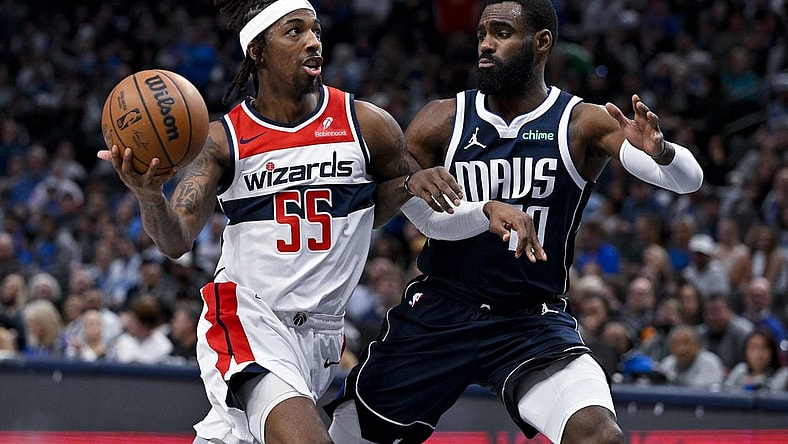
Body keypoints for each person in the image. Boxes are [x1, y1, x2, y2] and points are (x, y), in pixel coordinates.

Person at [97, 1, 540, 443]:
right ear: (257, 50)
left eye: (315, 30)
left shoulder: (364, 123)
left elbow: (427, 215)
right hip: (246, 319)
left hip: (322, 340)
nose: (313, 41)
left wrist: (484, 212)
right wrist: (149, 195)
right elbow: (175, 239)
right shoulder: (223, 139)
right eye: (294, 32)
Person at [326, 1, 704, 443]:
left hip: (529, 319)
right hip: (442, 311)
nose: (486, 44)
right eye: (483, 33)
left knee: (599, 436)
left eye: (502, 33)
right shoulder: (441, 119)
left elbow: (686, 181)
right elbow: (391, 212)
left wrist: (661, 152)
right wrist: (445, 198)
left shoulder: (581, 122)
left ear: (541, 42)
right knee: (345, 436)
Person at [723, 328, 788, 392]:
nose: (758, 354)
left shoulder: (782, 375)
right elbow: (726, 393)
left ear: (772, 351)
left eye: (764, 348)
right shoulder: (741, 370)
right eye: (753, 347)